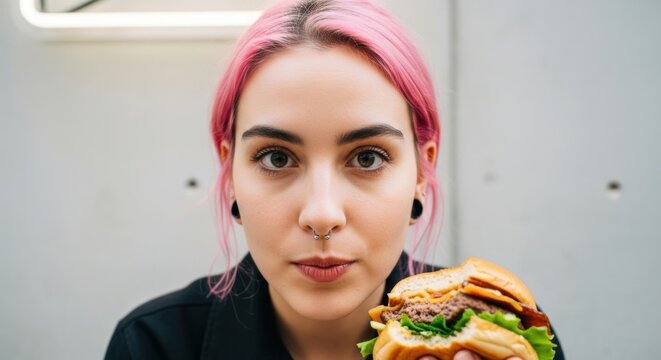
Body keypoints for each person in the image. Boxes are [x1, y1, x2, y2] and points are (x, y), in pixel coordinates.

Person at [105, 0, 564, 359]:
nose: (321, 215)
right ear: (230, 175)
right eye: (275, 158)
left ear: (422, 171)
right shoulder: (152, 346)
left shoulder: (506, 333)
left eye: (367, 157)